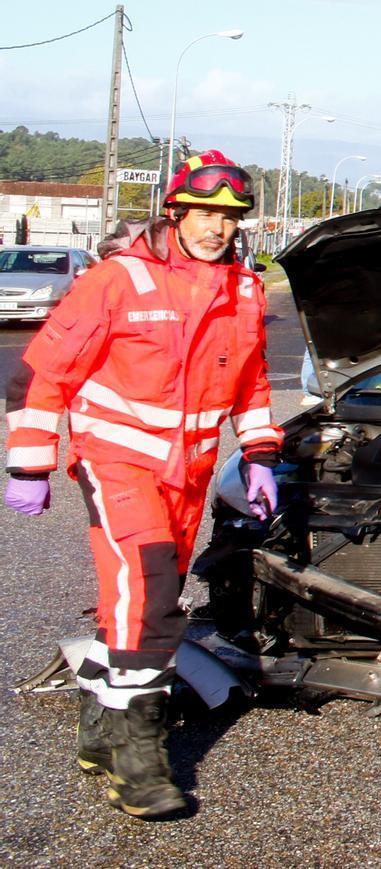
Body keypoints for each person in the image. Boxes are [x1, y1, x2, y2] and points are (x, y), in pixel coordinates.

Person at [2, 150, 279, 820]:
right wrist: (30, 461)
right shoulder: (117, 280)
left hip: (187, 473)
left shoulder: (242, 289)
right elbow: (41, 374)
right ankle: (139, 756)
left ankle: (98, 731)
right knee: (152, 594)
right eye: (205, 211)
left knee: (135, 602)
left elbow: (251, 383)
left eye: (230, 215)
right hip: (118, 461)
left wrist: (262, 452)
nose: (217, 226)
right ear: (176, 210)